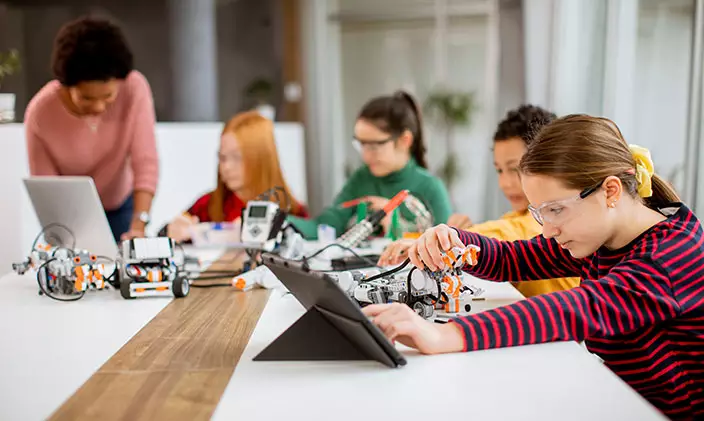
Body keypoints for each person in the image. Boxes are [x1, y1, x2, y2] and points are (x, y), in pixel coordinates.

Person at [363, 115, 704, 420]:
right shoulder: (600, 236)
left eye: (555, 210)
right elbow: (515, 257)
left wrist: (444, 334)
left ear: (610, 190)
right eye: (540, 213)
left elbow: (579, 309)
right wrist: (455, 241)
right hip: (622, 397)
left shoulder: (672, 255)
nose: (547, 229)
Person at [379, 105, 580, 297]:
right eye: (499, 170)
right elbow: (503, 239)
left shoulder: (544, 222)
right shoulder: (518, 215)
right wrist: (453, 236)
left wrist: (443, 241)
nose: (505, 183)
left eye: (515, 169)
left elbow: (509, 235)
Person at [25, 16, 158, 242]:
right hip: (73, 215)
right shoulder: (41, 113)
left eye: (108, 96)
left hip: (122, 206)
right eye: (86, 98)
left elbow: (145, 162)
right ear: (66, 84)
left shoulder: (134, 89)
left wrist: (139, 223)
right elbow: (48, 190)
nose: (98, 107)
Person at [288, 91, 452, 239]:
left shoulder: (431, 188)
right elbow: (327, 224)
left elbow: (444, 246)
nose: (365, 156)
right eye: (361, 145)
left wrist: (398, 225)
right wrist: (279, 220)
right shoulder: (362, 178)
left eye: (374, 146)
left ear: (405, 140)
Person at [165, 111, 308, 242]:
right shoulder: (205, 207)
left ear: (261, 159)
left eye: (236, 157)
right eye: (222, 157)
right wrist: (169, 233)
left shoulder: (293, 213)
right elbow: (168, 236)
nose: (226, 167)